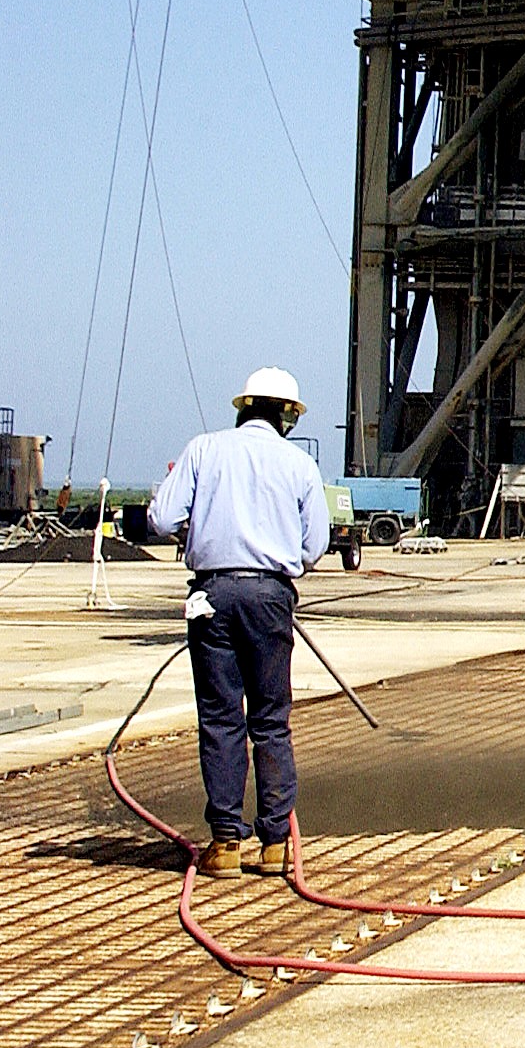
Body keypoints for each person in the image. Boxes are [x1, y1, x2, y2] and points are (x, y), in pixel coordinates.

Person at [144, 367, 334, 879]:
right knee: (270, 722)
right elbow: (315, 545)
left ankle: (226, 844)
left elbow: (159, 519)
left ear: (242, 407)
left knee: (221, 719)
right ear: (288, 416)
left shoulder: (204, 449)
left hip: (211, 594)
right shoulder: (299, 464)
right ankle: (276, 846)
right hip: (270, 595)